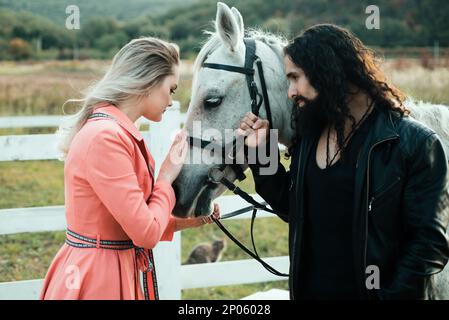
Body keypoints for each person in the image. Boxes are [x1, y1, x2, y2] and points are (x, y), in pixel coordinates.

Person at [238, 24, 449, 300]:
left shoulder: (414, 143)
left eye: (295, 78)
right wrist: (261, 152)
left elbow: (428, 244)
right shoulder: (312, 135)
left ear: (327, 70)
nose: (291, 92)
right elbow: (295, 209)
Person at [40, 37, 220, 300]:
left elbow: (136, 221)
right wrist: (166, 178)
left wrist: (195, 220)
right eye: (170, 89)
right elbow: (145, 233)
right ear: (148, 81)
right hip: (99, 278)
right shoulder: (105, 138)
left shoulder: (116, 133)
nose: (171, 101)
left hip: (111, 267)